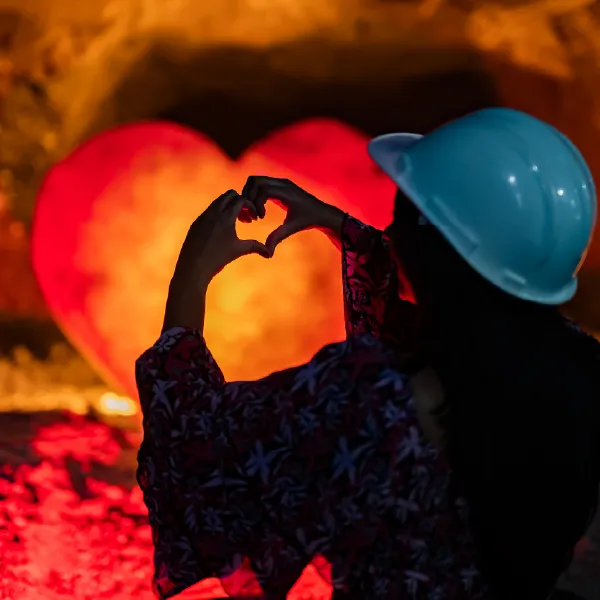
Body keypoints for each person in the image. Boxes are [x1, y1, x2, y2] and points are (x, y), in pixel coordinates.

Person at [135, 108, 600, 600]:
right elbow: (464, 315)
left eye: (400, 221)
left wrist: (191, 274)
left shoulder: (373, 400)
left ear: (430, 250)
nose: (390, 234)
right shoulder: (579, 367)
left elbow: (193, 449)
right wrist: (337, 226)